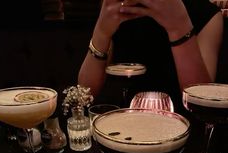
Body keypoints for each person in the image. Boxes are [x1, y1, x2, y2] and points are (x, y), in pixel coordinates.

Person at [78, 0, 223, 112]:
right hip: (122, 129)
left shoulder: (205, 13)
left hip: (185, 136)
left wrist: (179, 27)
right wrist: (101, 33)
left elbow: (201, 103)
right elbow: (84, 94)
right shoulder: (119, 7)